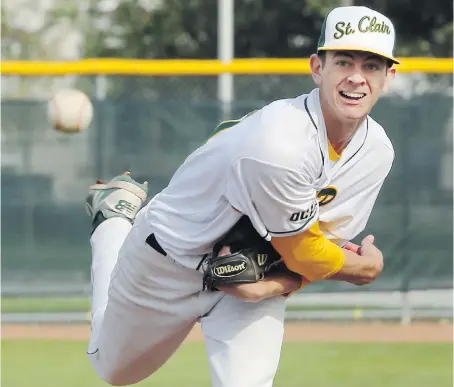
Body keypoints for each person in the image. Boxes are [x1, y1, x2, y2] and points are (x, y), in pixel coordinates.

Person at [85, 5, 398, 387]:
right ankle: (112, 222)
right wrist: (362, 270)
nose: (356, 78)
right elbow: (307, 255)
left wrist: (267, 287)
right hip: (167, 260)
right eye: (344, 62)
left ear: (388, 77)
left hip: (257, 276)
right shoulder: (280, 142)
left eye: (372, 66)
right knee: (115, 372)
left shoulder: (375, 152)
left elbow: (324, 246)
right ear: (318, 68)